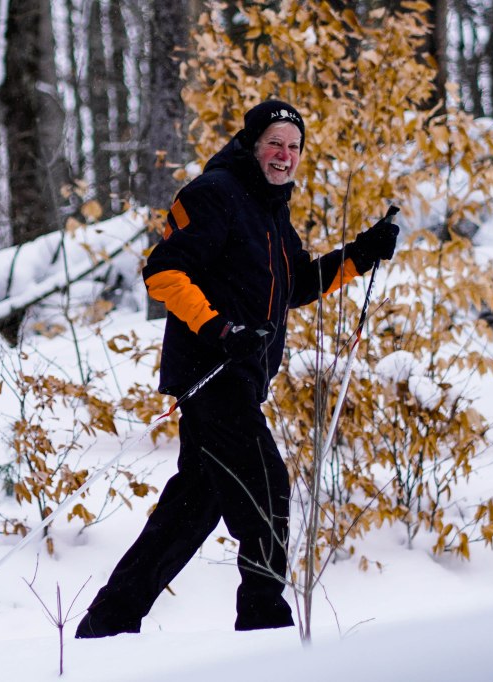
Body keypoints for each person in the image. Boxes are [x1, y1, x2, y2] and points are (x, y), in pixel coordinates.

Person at [75, 100, 399, 637]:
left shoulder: (271, 209)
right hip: (213, 373)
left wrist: (360, 254)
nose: (285, 155)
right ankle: (265, 626)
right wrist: (220, 329)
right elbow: (162, 273)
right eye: (275, 142)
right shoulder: (215, 194)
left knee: (191, 510)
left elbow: (295, 286)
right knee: (266, 486)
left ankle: (105, 626)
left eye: (294, 147)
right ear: (252, 143)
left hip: (242, 381)